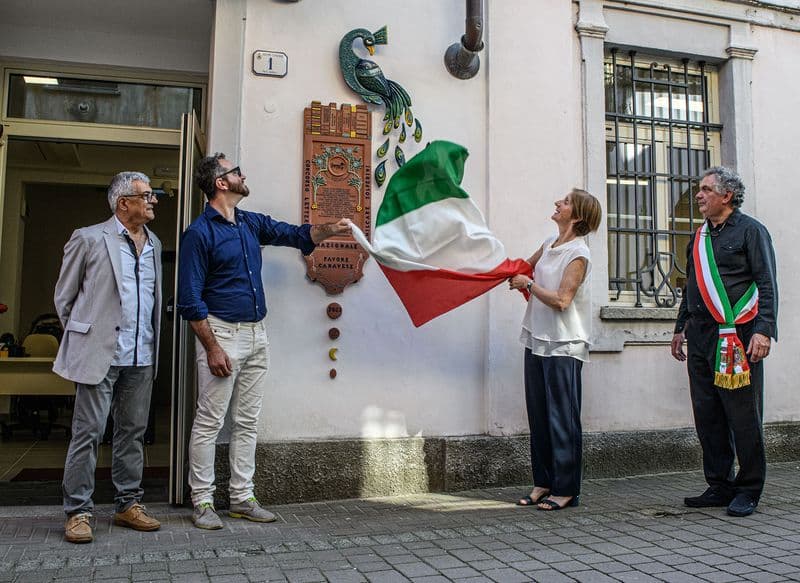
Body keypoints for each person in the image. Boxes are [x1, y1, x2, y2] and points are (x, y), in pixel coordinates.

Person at [177, 153, 351, 530]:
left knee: (247, 421)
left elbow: (294, 234)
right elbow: (190, 301)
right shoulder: (199, 233)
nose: (243, 174)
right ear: (221, 183)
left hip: (256, 334)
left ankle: (242, 498)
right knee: (209, 421)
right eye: (235, 171)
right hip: (221, 333)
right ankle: (203, 501)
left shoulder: (249, 223)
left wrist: (330, 229)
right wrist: (212, 347)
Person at [54, 171, 163, 543]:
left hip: (141, 353)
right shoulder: (88, 239)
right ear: (123, 203)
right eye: (147, 196)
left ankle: (128, 503)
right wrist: (87, 338)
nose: (154, 201)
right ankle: (78, 511)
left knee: (132, 433)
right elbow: (64, 300)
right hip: (100, 353)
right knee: (88, 433)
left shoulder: (154, 244)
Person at [671, 166, 778, 517]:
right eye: (699, 189)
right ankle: (719, 483)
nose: (698, 195)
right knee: (708, 413)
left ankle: (748, 489)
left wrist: (764, 330)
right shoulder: (699, 237)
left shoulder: (752, 231)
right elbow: (691, 286)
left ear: (726, 195)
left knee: (742, 414)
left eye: (705, 189)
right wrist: (679, 326)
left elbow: (766, 283)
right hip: (701, 336)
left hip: (739, 336)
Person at [509, 188, 602, 511]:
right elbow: (522, 267)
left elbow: (563, 300)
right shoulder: (551, 244)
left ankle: (566, 489)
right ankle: (543, 482)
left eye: (564, 202)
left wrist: (529, 285)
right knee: (539, 415)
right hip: (538, 338)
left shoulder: (578, 254)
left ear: (576, 216)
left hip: (564, 343)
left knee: (562, 417)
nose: (557, 204)